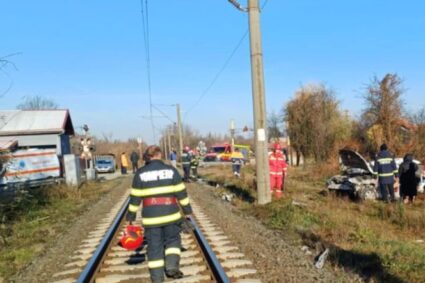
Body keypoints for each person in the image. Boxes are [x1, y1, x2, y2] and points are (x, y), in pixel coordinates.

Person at [126, 145, 193, 282]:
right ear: (159, 155)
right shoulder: (171, 171)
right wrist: (187, 212)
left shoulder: (140, 173)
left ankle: (157, 278)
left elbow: (135, 198)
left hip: (152, 219)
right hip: (171, 216)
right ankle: (172, 267)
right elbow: (182, 194)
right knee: (173, 240)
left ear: (148, 157)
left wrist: (131, 217)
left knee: (154, 247)